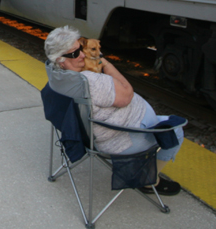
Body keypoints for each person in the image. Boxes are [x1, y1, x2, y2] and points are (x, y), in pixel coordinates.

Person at [45, 26, 184, 196]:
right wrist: (106, 63)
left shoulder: (57, 77)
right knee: (176, 129)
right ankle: (149, 179)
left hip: (98, 135)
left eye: (80, 49)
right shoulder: (91, 81)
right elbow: (127, 93)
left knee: (165, 120)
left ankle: (146, 173)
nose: (82, 55)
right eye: (74, 53)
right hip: (123, 140)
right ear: (60, 60)